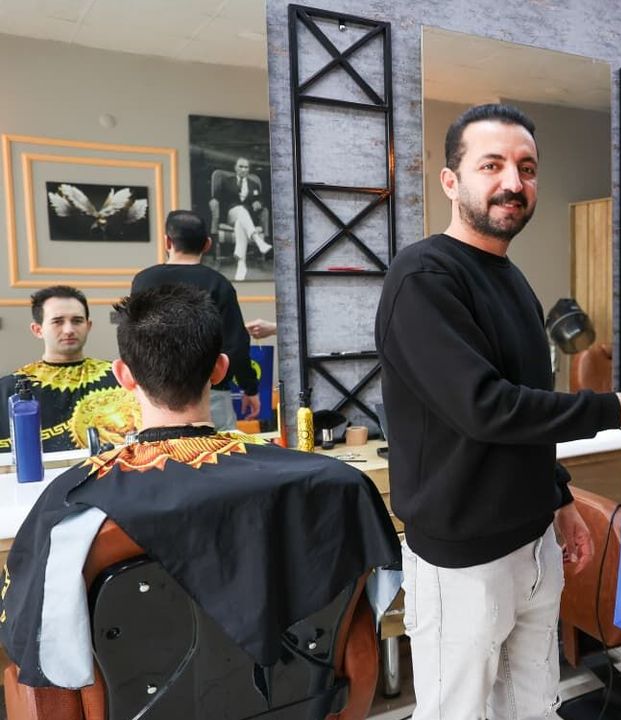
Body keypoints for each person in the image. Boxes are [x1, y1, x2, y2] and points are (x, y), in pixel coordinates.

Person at [375, 103, 621, 720]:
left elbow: (524, 412)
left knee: (533, 708)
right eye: (492, 165)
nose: (513, 182)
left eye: (527, 168)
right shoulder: (424, 277)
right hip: (464, 560)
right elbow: (486, 408)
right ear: (451, 180)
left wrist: (558, 497)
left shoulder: (513, 280)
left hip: (534, 542)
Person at [0, 284, 400, 689]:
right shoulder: (341, 482)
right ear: (220, 368)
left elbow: (45, 656)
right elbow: (372, 603)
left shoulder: (74, 507)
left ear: (123, 376)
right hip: (301, 701)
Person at [132, 210, 260, 430]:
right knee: (219, 451)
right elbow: (236, 345)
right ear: (207, 244)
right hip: (210, 394)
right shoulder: (218, 283)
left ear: (167, 241)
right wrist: (250, 388)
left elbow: (133, 339)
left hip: (154, 396)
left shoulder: (143, 281)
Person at [0, 285, 140, 452]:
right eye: (57, 321)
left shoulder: (122, 376)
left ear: (88, 326)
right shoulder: (9, 390)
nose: (69, 330)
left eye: (77, 321)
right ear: (38, 330)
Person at [210, 156, 272, 281]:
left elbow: (261, 200)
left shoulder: (254, 184)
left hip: (247, 219)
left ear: (249, 169)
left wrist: (259, 203)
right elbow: (216, 196)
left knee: (240, 223)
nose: (244, 169)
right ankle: (257, 240)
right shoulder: (226, 181)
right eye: (241, 166)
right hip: (230, 215)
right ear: (235, 168)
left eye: (246, 167)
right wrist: (214, 203)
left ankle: (241, 264)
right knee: (240, 210)